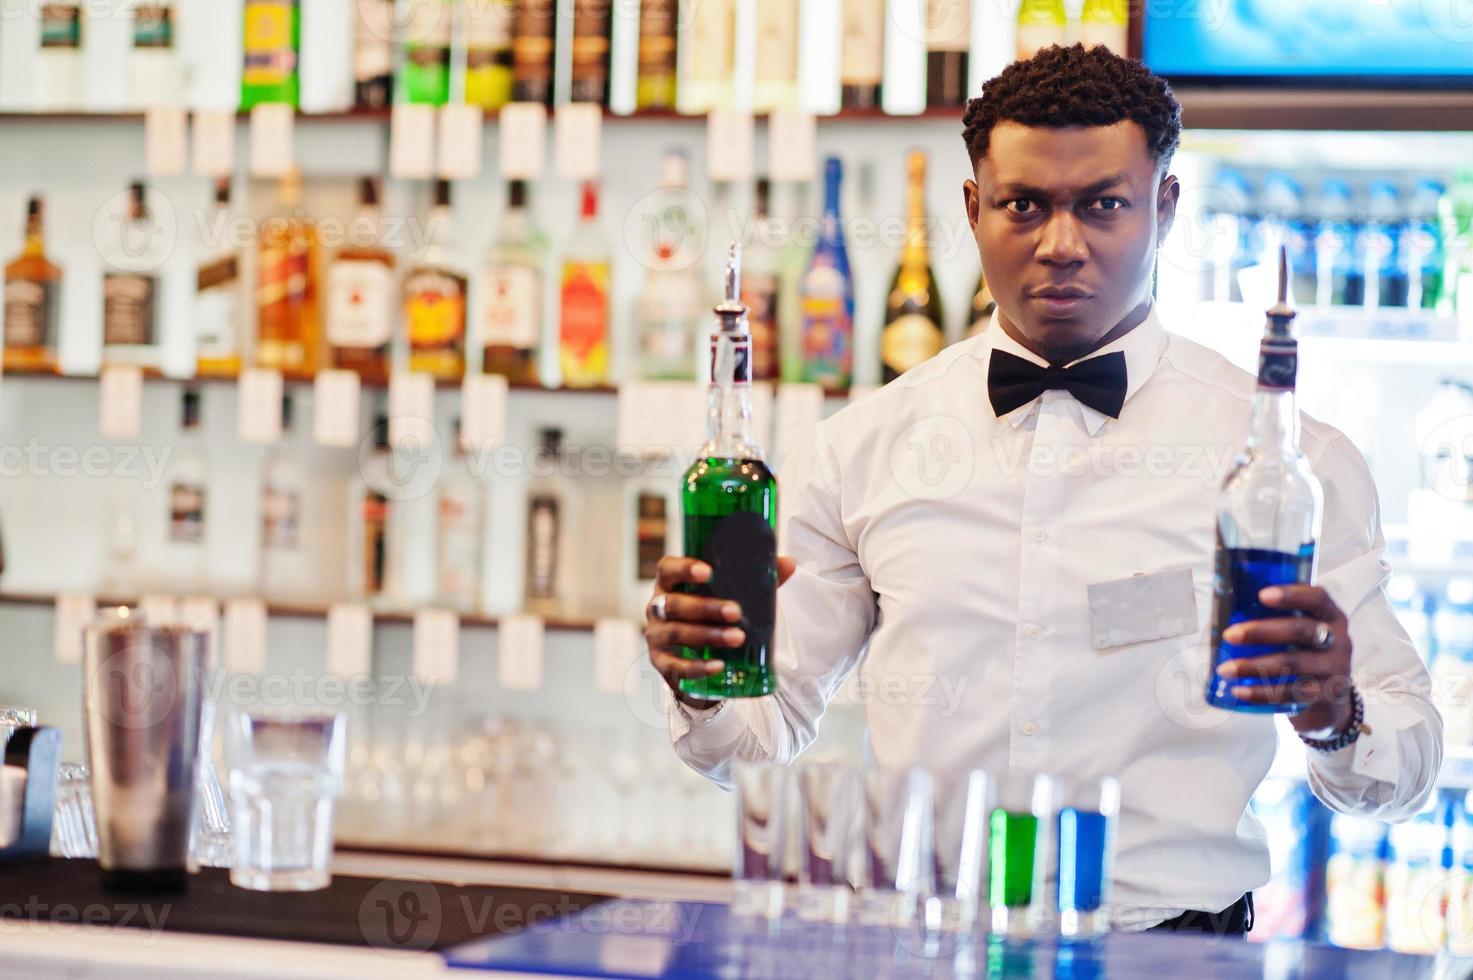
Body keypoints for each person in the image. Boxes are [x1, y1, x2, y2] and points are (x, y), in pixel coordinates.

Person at [643, 45, 1441, 935]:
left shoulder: (1290, 465)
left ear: (1163, 208)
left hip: (1170, 956)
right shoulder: (860, 448)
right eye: (1024, 206)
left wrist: (1335, 712)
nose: (1061, 245)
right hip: (922, 945)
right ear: (973, 208)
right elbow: (759, 737)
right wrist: (704, 683)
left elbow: (1404, 769)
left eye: (1104, 204)